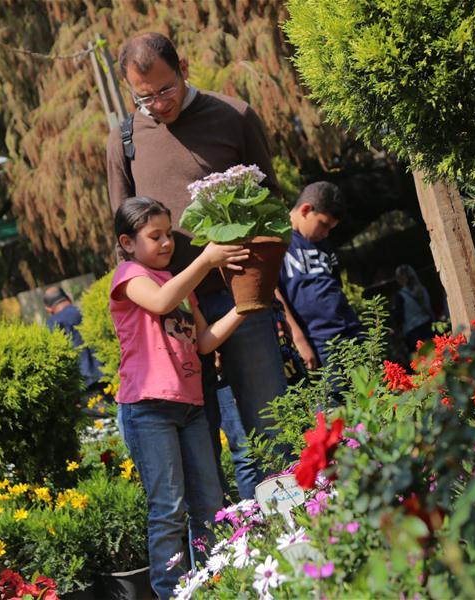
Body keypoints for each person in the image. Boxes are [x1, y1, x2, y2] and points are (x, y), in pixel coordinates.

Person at [106, 32, 291, 497]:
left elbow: (271, 207)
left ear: (184, 67)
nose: (157, 103)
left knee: (270, 422)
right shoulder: (124, 138)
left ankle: (298, 527)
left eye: (165, 89)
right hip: (177, 313)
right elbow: (122, 236)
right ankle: (220, 552)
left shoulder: (234, 115)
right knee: (196, 439)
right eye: (143, 95)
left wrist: (268, 286)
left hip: (239, 291)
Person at [109, 196, 250, 599]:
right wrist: (205, 260)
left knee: (209, 502)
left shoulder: (178, 284)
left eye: (169, 233)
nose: (167, 242)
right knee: (168, 510)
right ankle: (174, 592)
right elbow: (159, 302)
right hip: (148, 408)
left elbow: (204, 342)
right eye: (156, 235)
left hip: (189, 408)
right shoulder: (129, 275)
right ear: (128, 241)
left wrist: (245, 306)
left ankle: (217, 583)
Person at [279, 182, 363, 369]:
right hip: (319, 340)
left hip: (351, 329)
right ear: (306, 210)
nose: (325, 234)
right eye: (323, 225)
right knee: (336, 396)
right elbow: (273, 294)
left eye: (330, 229)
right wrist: (298, 338)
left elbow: (334, 285)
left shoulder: (322, 244)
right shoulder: (278, 242)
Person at [43, 286, 104, 393]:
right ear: (68, 298)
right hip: (107, 373)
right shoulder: (84, 310)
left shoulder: (53, 323)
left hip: (84, 383)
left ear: (48, 309)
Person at [392, 264, 435, 354]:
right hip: (428, 326)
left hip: (412, 333)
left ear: (401, 278)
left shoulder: (400, 296)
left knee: (421, 362)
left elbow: (398, 318)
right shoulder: (422, 289)